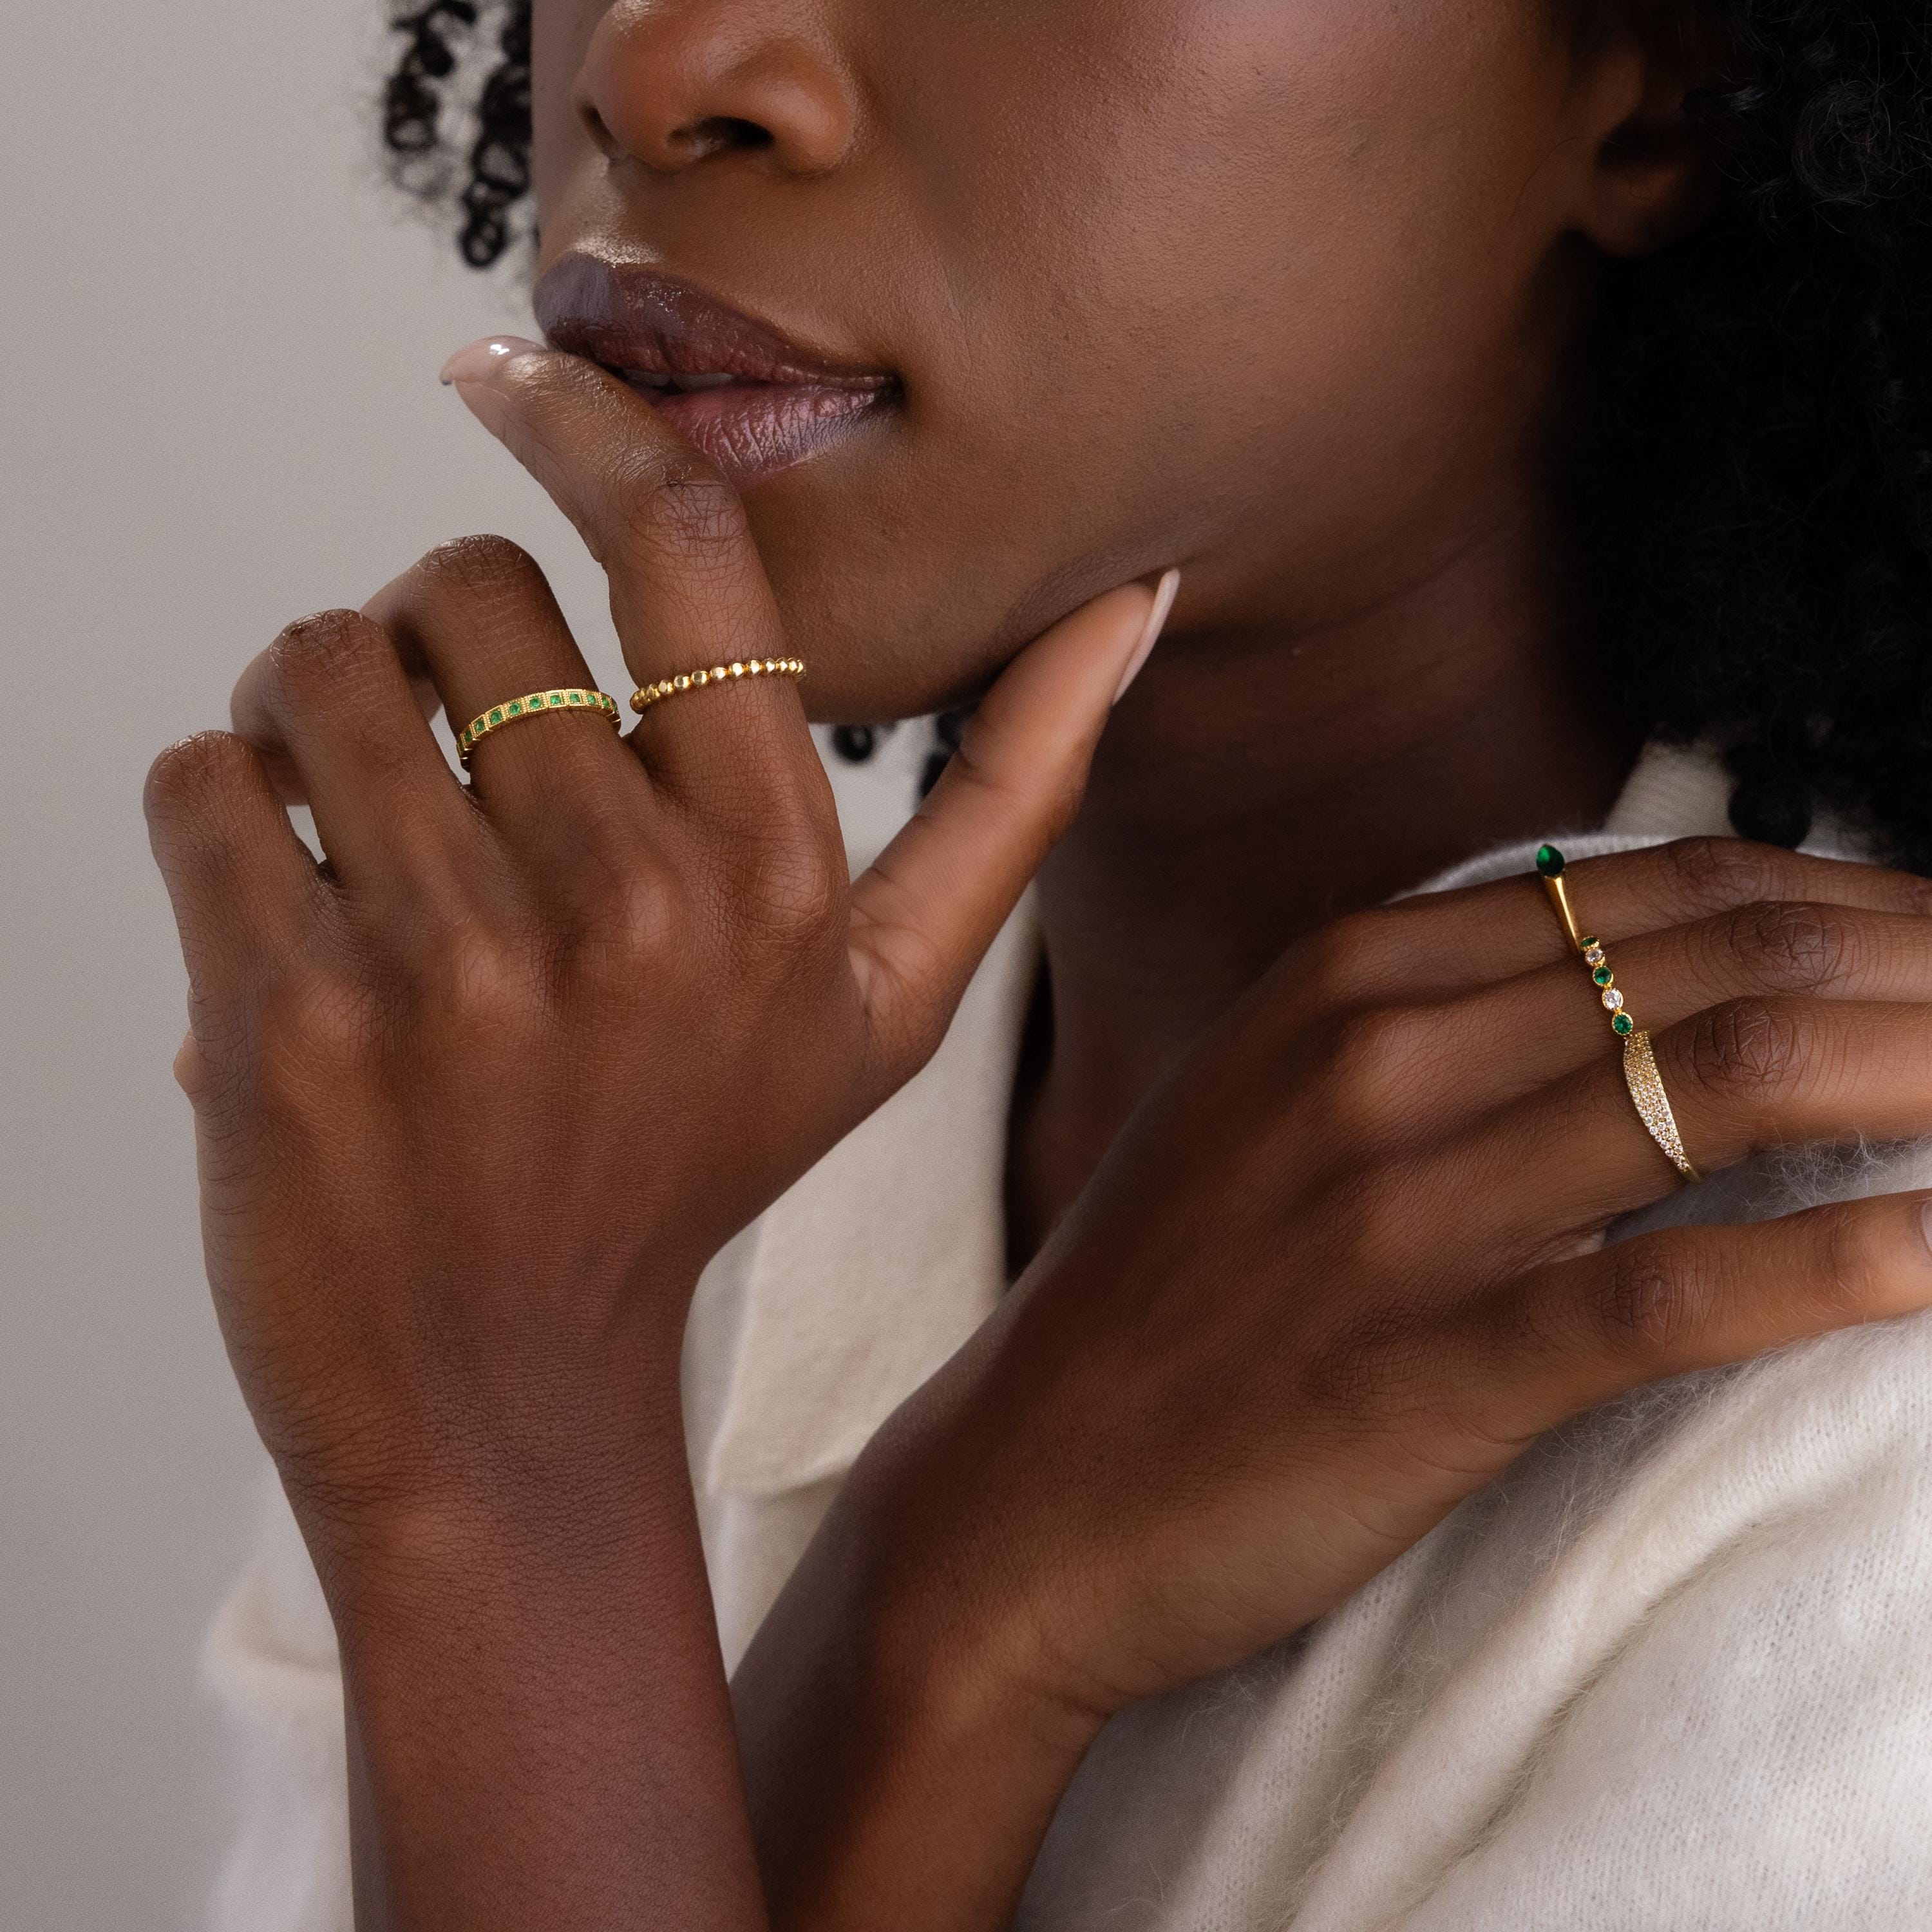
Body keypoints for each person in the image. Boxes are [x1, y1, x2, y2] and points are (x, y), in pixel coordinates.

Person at [151, 1, 1932, 1926]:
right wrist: (932, 1608)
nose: (662, 62)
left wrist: (534, 1513)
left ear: (1660, 73)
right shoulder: (553, 1166)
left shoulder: (1871, 1397)